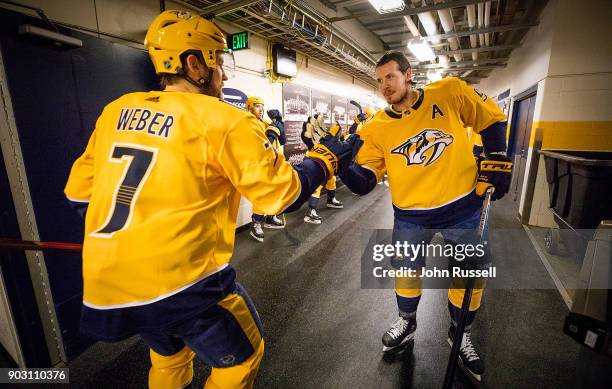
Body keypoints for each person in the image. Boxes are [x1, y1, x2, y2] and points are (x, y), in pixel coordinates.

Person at [64, 10, 360, 389]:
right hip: (182, 285)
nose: (223, 72)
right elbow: (279, 196)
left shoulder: (114, 112)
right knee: (243, 359)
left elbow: (78, 196)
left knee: (170, 357)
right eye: (218, 61)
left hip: (111, 287)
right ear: (193, 64)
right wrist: (324, 161)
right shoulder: (224, 120)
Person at [339, 51, 512, 381]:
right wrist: (341, 165)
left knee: (469, 276)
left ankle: (460, 335)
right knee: (405, 271)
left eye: (390, 77)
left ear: (408, 74)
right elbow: (365, 182)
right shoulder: (376, 127)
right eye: (379, 81)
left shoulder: (448, 92)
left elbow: (490, 117)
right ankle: (407, 321)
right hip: (411, 216)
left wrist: (499, 156)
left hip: (463, 209)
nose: (385, 86)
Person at [245, 96, 286, 242]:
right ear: (249, 107)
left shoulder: (266, 122)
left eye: (262, 106)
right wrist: (272, 130)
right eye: (257, 106)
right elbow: (264, 143)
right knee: (262, 194)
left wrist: (279, 122)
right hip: (260, 164)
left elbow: (282, 140)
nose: (261, 109)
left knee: (274, 192)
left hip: (274, 164)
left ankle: (270, 218)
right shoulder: (247, 123)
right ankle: (256, 223)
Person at [303, 117, 344, 224]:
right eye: (339, 132)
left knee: (331, 180)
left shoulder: (333, 139)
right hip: (315, 164)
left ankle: (331, 200)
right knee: (318, 185)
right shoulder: (327, 140)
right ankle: (310, 212)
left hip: (322, 164)